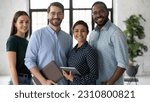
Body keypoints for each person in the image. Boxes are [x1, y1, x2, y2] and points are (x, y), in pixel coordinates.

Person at [25, 2, 72, 85]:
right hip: (43, 84)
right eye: (53, 13)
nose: (56, 16)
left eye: (59, 13)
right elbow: (29, 60)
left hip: (63, 83)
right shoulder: (37, 35)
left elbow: (69, 62)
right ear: (48, 15)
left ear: (63, 15)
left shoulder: (68, 38)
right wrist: (43, 81)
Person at [89, 1, 129, 85]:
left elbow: (123, 64)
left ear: (107, 12)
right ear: (92, 15)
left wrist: (109, 83)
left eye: (101, 11)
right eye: (95, 13)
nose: (98, 15)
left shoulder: (116, 33)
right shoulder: (92, 34)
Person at [62, 20, 98, 85]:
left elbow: (94, 75)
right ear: (73, 33)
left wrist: (73, 79)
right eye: (76, 31)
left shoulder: (89, 51)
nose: (79, 33)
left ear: (87, 32)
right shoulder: (72, 51)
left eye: (83, 31)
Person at [6, 11, 32, 85]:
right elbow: (12, 66)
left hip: (29, 80)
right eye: (21, 22)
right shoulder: (12, 40)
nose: (25, 24)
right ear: (15, 24)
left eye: (27, 22)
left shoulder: (27, 42)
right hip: (19, 80)